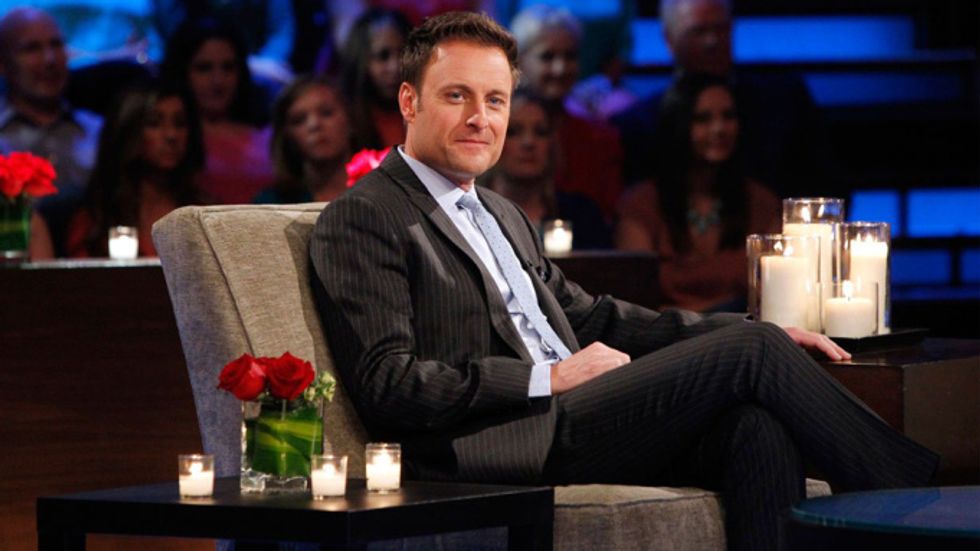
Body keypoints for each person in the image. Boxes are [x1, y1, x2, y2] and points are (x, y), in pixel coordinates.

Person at [309, 12, 938, 551]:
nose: (481, 118)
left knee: (755, 427)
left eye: (495, 101)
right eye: (457, 96)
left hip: (578, 414)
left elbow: (592, 317)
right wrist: (547, 378)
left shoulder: (499, 211)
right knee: (754, 349)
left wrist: (751, 328)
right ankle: (925, 510)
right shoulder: (366, 216)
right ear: (409, 102)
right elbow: (390, 384)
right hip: (501, 440)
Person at [612, 0, 836, 197]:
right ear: (669, 39)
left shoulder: (785, 103)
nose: (712, 41)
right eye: (698, 31)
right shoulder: (640, 125)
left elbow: (827, 188)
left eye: (720, 29)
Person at [616, 74, 780, 312]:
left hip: (742, 328)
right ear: (678, 125)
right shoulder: (642, 203)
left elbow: (770, 295)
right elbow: (633, 301)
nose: (719, 128)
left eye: (728, 116)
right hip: (664, 331)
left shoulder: (761, 202)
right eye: (703, 119)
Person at [0, 7, 102, 257]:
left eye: (56, 45)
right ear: (3, 63)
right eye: (31, 48)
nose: (49, 60)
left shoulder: (100, 132)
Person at [65, 81, 204, 257]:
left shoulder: (205, 214)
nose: (171, 135)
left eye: (180, 123)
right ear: (128, 132)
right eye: (154, 123)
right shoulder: (96, 220)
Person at [510, 4, 623, 219]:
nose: (560, 69)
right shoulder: (493, 135)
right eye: (547, 56)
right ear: (519, 61)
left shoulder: (600, 140)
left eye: (570, 56)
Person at [160, 17, 274, 204]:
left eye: (228, 68)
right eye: (204, 68)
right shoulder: (170, 137)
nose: (218, 81)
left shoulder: (268, 136)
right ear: (181, 72)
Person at [480, 90, 610, 250]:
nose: (529, 142)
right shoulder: (466, 213)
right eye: (513, 132)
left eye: (540, 132)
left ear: (552, 144)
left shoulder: (582, 215)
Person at [254, 75, 354, 204]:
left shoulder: (379, 190)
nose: (314, 125)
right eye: (299, 120)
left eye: (326, 113)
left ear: (350, 119)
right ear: (287, 137)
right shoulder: (270, 204)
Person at [339, 8, 412, 151]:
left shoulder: (429, 113)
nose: (395, 66)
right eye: (383, 56)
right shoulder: (344, 121)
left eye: (403, 53)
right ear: (360, 61)